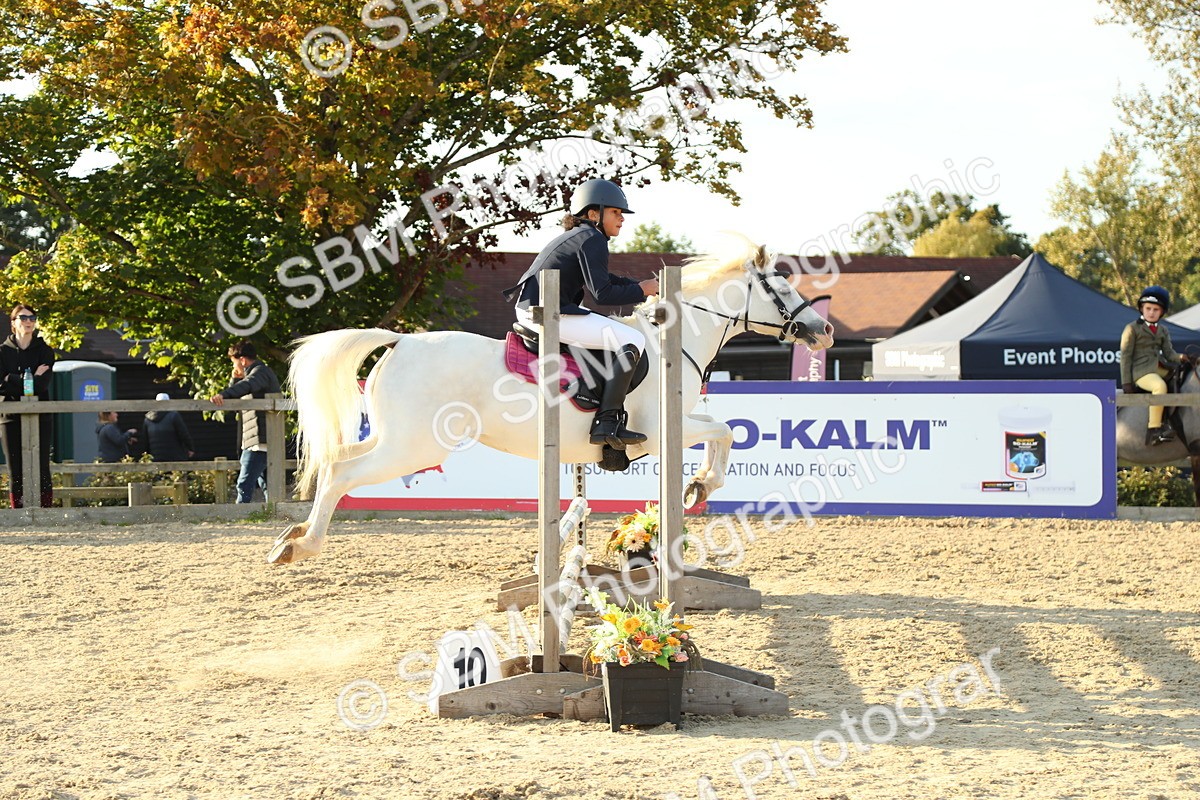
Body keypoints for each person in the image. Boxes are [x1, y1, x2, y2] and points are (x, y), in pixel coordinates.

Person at [503, 179, 660, 449]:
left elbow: (604, 280)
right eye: (615, 212)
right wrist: (642, 290)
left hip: (539, 309)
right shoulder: (592, 239)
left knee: (622, 337)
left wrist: (639, 286)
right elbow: (603, 294)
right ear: (593, 214)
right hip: (546, 314)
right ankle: (607, 422)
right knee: (633, 341)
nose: (622, 219)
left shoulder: (583, 236)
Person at [210, 340, 282, 502]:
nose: (234, 368)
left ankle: (241, 514)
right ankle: (272, 512)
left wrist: (224, 394)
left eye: (234, 363)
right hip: (256, 437)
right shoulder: (257, 373)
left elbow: (247, 385)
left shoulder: (259, 372)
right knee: (266, 483)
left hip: (260, 438)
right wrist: (235, 380)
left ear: (242, 360)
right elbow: (239, 402)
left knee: (244, 483)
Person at [0, 304, 56, 508]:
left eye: (32, 318)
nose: (29, 322)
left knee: (42, 466)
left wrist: (11, 379)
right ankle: (18, 511)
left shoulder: (45, 351)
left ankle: (46, 510)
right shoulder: (2, 352)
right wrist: (30, 377)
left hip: (41, 414)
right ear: (13, 323)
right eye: (23, 318)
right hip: (10, 416)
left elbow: (41, 386)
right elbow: (0, 386)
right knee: (15, 468)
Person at [1120, 285, 1190, 446]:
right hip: (1141, 372)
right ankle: (1153, 430)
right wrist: (1126, 382)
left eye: (1155, 310)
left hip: (1159, 368)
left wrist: (1184, 357)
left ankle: (1172, 422)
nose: (1151, 312)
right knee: (1159, 387)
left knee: (1179, 382)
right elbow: (1125, 357)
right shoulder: (1132, 329)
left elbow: (1169, 354)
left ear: (1162, 312)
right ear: (1142, 309)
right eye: (1148, 308)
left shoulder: (1163, 330)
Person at [143, 392, 195, 461]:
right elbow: (183, 434)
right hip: (175, 457)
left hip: (156, 458)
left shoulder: (147, 420)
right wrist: (190, 448)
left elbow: (145, 441)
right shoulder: (174, 415)